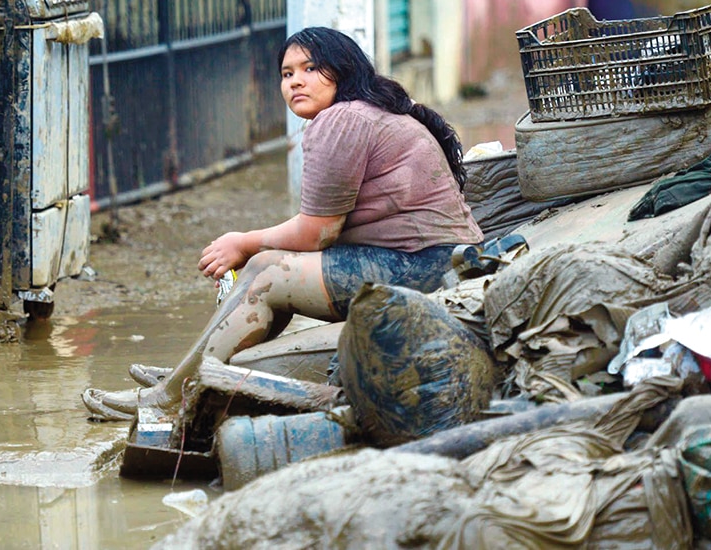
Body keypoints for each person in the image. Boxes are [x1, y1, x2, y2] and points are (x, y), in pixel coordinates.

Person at [82, 26, 483, 420]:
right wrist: (253, 244)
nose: (296, 82)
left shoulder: (343, 120)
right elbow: (320, 222)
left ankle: (171, 397)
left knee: (267, 273)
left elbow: (317, 232)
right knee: (267, 263)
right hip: (438, 262)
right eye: (287, 74)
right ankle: (194, 374)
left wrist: (244, 241)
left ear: (342, 71)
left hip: (426, 268)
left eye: (310, 69)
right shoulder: (361, 114)